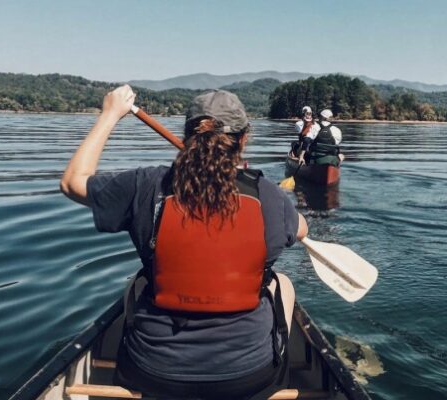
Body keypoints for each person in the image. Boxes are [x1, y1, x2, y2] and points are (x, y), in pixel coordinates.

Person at [60, 85, 308, 399]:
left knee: (137, 283)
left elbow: (71, 182)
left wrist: (110, 115)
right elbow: (301, 230)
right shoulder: (268, 194)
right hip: (247, 376)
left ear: (189, 139)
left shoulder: (146, 185)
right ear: (244, 139)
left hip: (152, 372)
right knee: (281, 283)